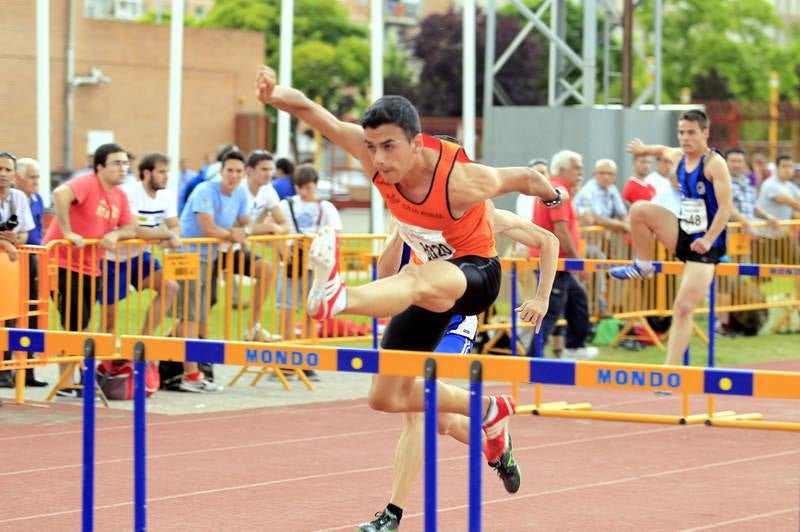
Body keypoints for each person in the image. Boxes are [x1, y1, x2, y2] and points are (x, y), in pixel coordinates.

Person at [255, 65, 564, 503]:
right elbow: (315, 114)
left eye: (389, 148)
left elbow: (528, 180)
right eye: (372, 148)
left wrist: (553, 197)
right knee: (385, 396)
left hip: (475, 279)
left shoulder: (464, 181)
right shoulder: (374, 160)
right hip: (425, 294)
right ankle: (489, 411)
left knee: (417, 278)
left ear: (417, 145)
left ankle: (339, 297)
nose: (379, 160)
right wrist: (274, 95)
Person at [360, 202, 558, 532]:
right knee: (442, 421)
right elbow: (385, 274)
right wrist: (400, 231)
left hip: (455, 323)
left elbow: (548, 241)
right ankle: (496, 443)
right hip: (416, 318)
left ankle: (392, 515)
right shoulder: (414, 216)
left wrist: (542, 298)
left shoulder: (483, 216)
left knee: (419, 409)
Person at [609, 109, 733, 366]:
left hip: (705, 246)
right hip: (684, 232)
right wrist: (644, 148)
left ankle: (669, 371)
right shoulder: (677, 156)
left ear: (705, 133)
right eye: (681, 132)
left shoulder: (714, 163)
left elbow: (725, 208)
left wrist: (709, 239)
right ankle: (643, 265)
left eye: (691, 133)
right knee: (640, 210)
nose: (685, 138)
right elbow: (661, 150)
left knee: (683, 309)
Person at [175, 150, 279, 392]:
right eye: (229, 171)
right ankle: (188, 374)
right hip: (187, 256)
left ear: (244, 174)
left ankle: (195, 368)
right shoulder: (205, 191)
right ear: (220, 172)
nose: (233, 176)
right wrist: (236, 234)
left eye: (238, 171)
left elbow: (244, 223)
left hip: (210, 257)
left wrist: (259, 229)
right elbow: (209, 228)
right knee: (190, 315)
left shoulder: (241, 193)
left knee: (201, 315)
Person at [44, 143, 137, 395]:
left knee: (82, 323)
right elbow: (60, 194)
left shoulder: (120, 195)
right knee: (74, 324)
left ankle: (77, 379)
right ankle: (66, 382)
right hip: (62, 263)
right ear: (100, 167)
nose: (123, 168)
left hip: (90, 267)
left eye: (125, 163)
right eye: (117, 163)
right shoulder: (87, 183)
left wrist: (116, 234)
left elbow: (131, 227)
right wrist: (67, 231)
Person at [526, 150, 598, 360]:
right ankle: (533, 358)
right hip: (555, 260)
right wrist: (578, 263)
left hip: (556, 259)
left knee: (578, 299)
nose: (581, 172)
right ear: (563, 168)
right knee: (550, 309)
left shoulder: (554, 188)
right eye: (577, 167)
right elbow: (561, 231)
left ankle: (574, 347)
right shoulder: (558, 191)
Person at [99, 153, 181, 336]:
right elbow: (136, 230)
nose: (166, 176)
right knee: (109, 320)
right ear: (147, 173)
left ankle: (144, 342)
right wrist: (166, 235)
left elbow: (175, 225)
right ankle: (101, 361)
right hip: (111, 260)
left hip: (138, 257)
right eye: (161, 172)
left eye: (167, 172)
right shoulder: (129, 193)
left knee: (170, 287)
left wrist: (173, 235)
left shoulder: (166, 196)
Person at [276, 164, 342, 382]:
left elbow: (335, 233)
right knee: (286, 311)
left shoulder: (326, 208)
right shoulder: (286, 205)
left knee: (310, 313)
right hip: (291, 265)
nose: (303, 192)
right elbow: (276, 229)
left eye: (307, 187)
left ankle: (305, 361)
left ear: (315, 184)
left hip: (316, 266)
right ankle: (285, 361)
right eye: (299, 188)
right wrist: (283, 250)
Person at [0, 152, 37, 389]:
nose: (3, 175)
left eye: (7, 170)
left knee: (19, 312)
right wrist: (6, 244)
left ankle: (20, 366)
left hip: (13, 266)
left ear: (14, 174)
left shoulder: (18, 198)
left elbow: (25, 232)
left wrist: (14, 240)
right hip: (7, 259)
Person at [11, 157, 47, 387]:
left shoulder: (37, 199)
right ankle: (6, 366)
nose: (36, 182)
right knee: (11, 313)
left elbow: (37, 231)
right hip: (14, 258)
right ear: (19, 177)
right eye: (31, 177)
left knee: (34, 311)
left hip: (33, 258)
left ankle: (29, 368)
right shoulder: (13, 199)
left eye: (37, 177)